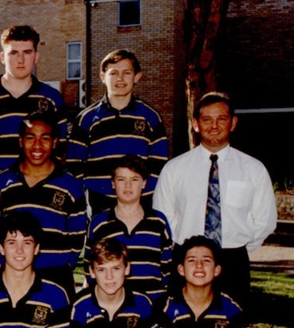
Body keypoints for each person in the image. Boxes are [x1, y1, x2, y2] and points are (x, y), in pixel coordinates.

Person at [153, 92, 277, 309]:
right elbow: (163, 217)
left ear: (233, 123)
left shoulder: (253, 169)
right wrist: (184, 250)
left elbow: (265, 220)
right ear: (195, 124)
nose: (214, 126)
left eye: (221, 119)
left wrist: (240, 249)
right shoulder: (174, 169)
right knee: (182, 326)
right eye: (206, 119)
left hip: (233, 260)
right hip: (187, 259)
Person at [0, 111, 86, 300]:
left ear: (55, 142)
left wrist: (63, 264)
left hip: (56, 275)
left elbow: (77, 235)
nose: (37, 145)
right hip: (13, 276)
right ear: (20, 141)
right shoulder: (2, 183)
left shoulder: (70, 185)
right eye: (30, 138)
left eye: (45, 138)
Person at [67, 49, 168, 214]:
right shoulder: (86, 118)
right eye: (113, 73)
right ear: (102, 77)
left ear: (137, 77)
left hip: (140, 205)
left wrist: (142, 196)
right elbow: (75, 165)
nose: (120, 79)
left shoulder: (150, 117)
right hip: (99, 204)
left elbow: (158, 165)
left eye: (127, 73)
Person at [0, 25, 66, 179]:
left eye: (27, 52)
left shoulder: (52, 99)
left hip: (40, 188)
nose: (21, 60)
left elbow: (60, 148)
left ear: (36, 56)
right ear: (3, 57)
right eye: (14, 53)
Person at [85, 156, 173, 301]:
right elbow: (91, 268)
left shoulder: (159, 222)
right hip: (115, 304)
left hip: (153, 303)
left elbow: (168, 268)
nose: (127, 186)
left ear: (144, 183)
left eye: (134, 179)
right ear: (113, 184)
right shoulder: (99, 223)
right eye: (121, 180)